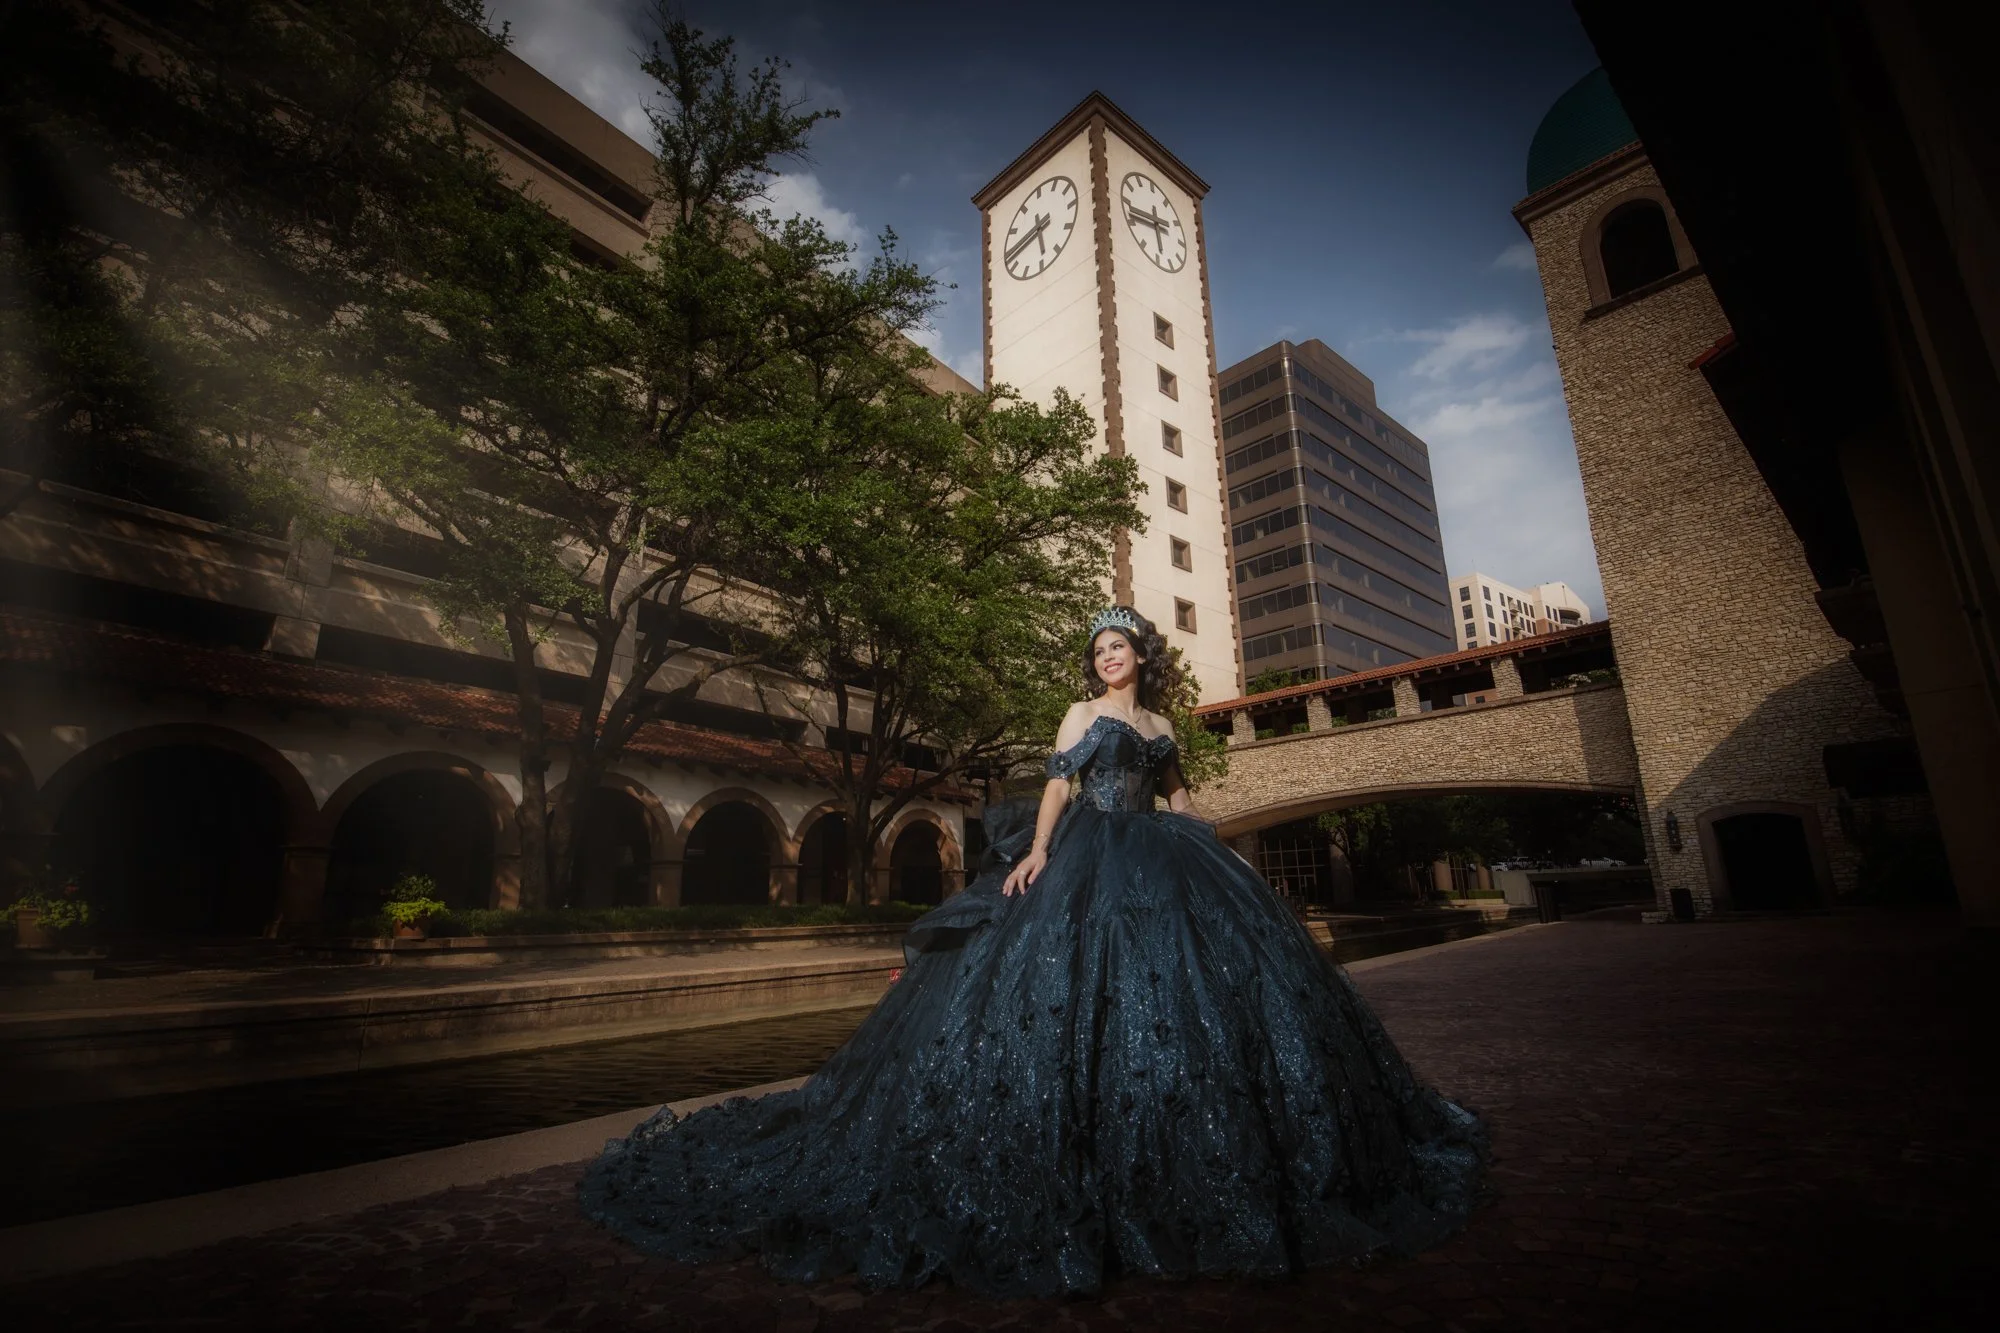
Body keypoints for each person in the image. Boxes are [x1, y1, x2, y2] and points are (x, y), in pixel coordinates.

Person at [579, 606, 1486, 1297]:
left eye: (1118, 646)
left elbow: (1172, 798)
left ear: (1143, 657)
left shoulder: (1167, 731)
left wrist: (1203, 838)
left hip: (1161, 859)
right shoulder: (1077, 711)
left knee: (1185, 999)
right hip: (1087, 852)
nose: (1106, 656)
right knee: (1058, 996)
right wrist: (1043, 850)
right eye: (1097, 647)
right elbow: (1058, 786)